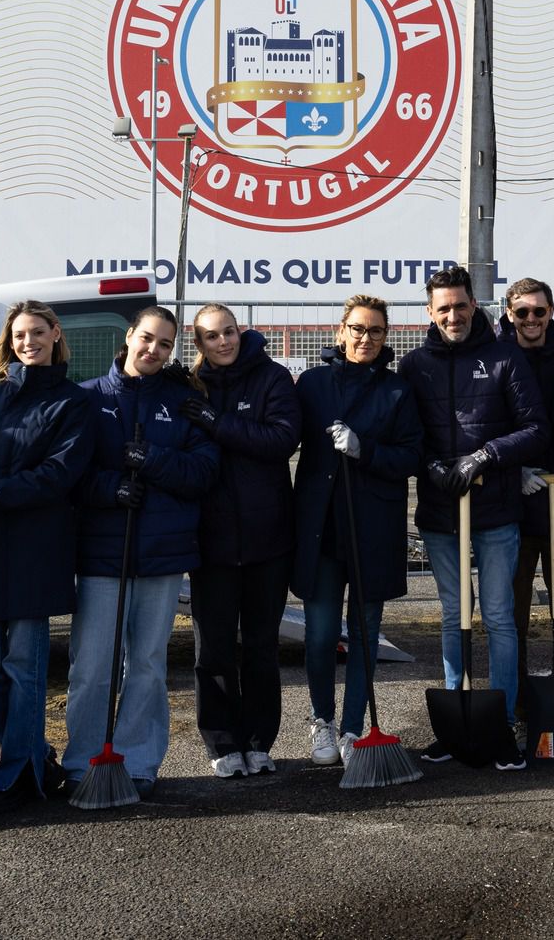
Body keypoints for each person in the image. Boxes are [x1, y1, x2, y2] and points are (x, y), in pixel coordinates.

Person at [0, 299, 93, 815]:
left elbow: (57, 476)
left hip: (35, 546)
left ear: (55, 334)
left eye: (37, 332)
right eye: (19, 334)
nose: (28, 342)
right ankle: (34, 757)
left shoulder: (73, 403)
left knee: (23, 667)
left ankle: (13, 776)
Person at [68, 307, 218, 800]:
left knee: (148, 663)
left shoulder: (182, 403)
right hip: (101, 554)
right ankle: (82, 758)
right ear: (128, 337)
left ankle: (138, 760)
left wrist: (151, 460)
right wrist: (111, 488)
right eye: (147, 339)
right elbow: (70, 474)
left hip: (162, 553)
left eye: (165, 344)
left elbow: (202, 473)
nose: (153, 350)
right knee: (92, 665)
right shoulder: (89, 398)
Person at [401, 265, 547, 768]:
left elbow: (534, 429)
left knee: (500, 616)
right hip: (441, 511)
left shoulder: (504, 357)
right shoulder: (415, 364)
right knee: (451, 614)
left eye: (460, 305)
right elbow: (409, 434)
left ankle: (502, 721)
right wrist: (433, 465)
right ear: (430, 311)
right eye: (443, 308)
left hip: (496, 508)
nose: (453, 315)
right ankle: (456, 719)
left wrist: (484, 456)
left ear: (473, 305)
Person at [292, 294, 423, 765]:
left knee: (365, 635)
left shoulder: (396, 391)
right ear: (340, 330)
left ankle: (352, 730)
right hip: (321, 530)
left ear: (387, 337)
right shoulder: (311, 384)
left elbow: (410, 456)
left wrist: (364, 449)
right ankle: (321, 721)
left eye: (377, 331)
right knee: (322, 635)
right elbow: (283, 434)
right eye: (359, 329)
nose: (366, 339)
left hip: (372, 530)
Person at [182, 304, 301, 778]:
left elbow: (281, 439)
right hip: (210, 541)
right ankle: (222, 741)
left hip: (267, 538)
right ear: (201, 345)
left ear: (241, 331)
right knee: (211, 649)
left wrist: (216, 422)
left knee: (260, 646)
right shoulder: (191, 385)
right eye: (211, 337)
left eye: (228, 331)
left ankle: (258, 741)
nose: (223, 342)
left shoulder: (272, 378)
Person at [500, 277, 554, 699]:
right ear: (508, 313)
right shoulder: (497, 359)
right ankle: (515, 704)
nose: (531, 319)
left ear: (551, 313)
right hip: (510, 512)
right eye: (522, 312)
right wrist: (510, 470)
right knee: (510, 617)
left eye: (539, 311)